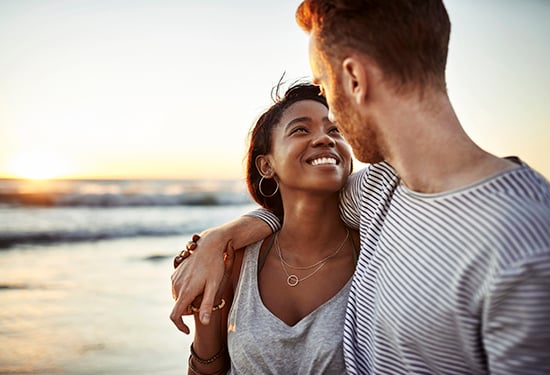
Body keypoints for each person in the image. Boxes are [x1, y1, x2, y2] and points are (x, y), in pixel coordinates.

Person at [171, 1, 550, 374]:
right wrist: (217, 241)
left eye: (323, 84)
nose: (331, 118)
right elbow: (295, 212)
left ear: (354, 79)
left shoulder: (528, 246)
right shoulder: (378, 190)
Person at [176, 81, 360, 374]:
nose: (325, 139)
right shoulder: (235, 260)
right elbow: (207, 368)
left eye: (334, 129)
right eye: (301, 129)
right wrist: (204, 311)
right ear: (266, 165)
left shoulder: (373, 250)